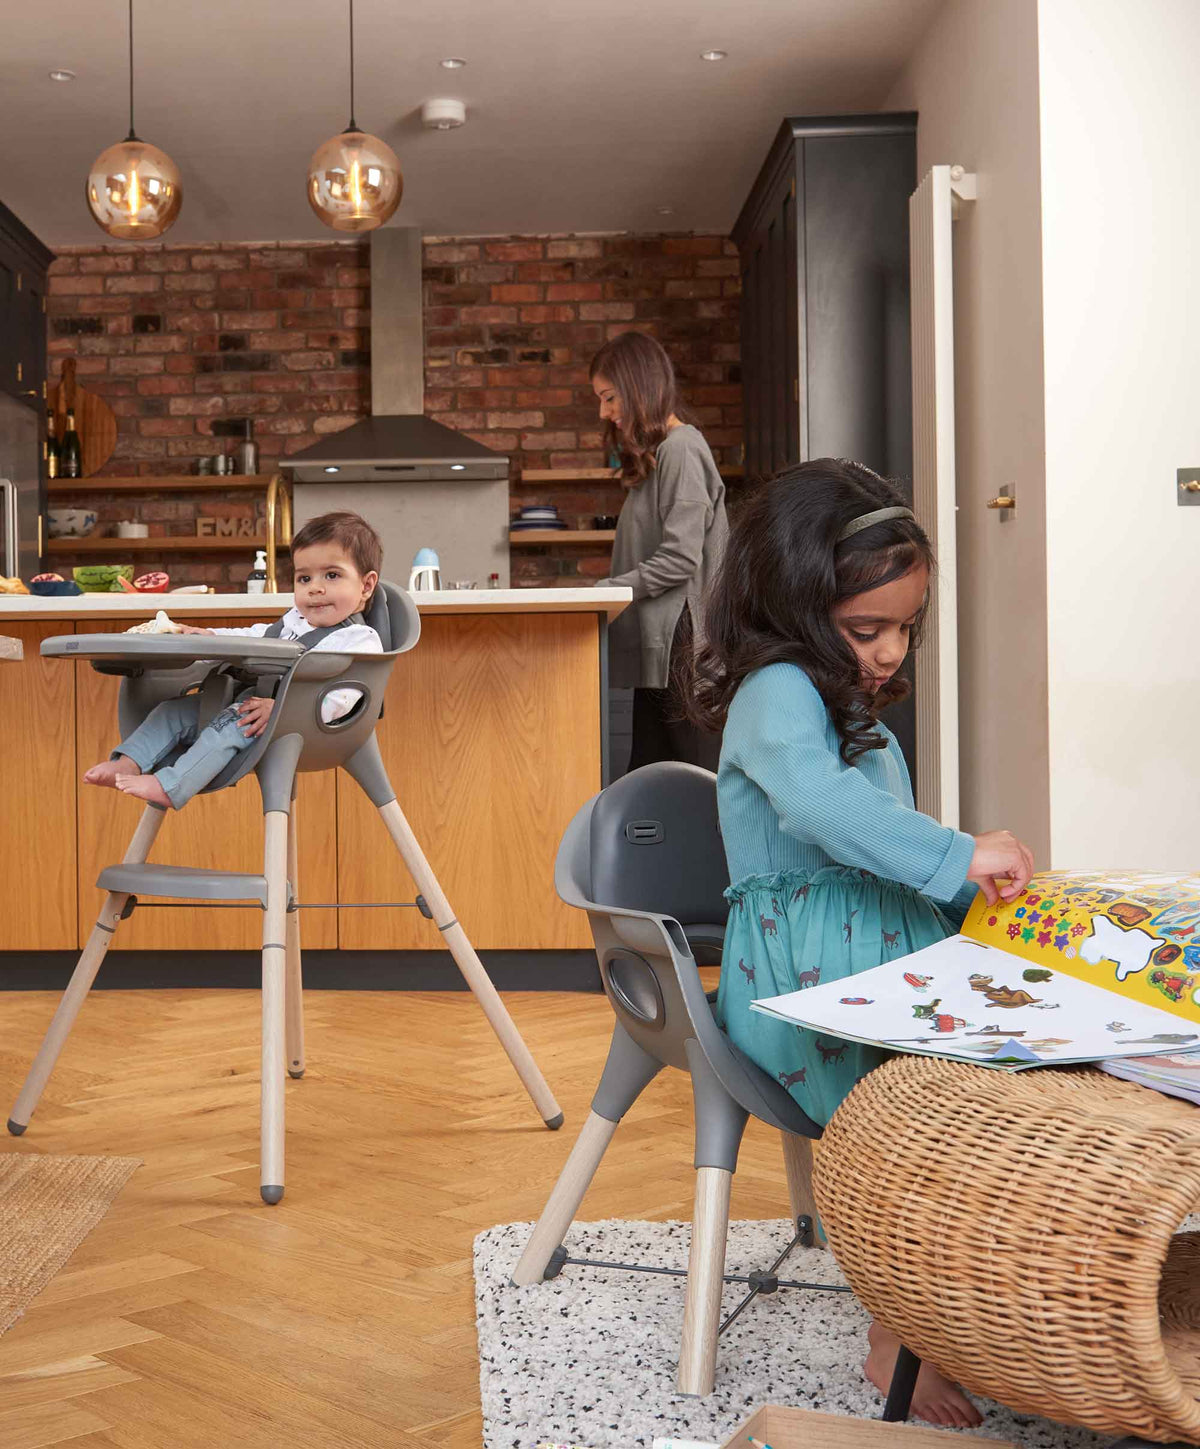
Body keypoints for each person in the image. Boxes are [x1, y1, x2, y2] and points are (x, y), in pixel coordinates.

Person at [684, 458, 1035, 1428]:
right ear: (794, 609)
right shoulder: (775, 692)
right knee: (910, 1127)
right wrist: (960, 853)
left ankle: (965, 1301)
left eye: (904, 628)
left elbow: (877, 842)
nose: (888, 653)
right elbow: (825, 810)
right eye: (865, 630)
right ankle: (895, 1329)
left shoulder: (843, 706)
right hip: (798, 981)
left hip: (865, 956)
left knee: (999, 1081)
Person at [83, 511, 383, 811]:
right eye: (304, 578)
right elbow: (254, 636)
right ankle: (129, 762)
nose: (315, 588)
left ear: (366, 586)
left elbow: (345, 697)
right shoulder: (295, 622)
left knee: (226, 728)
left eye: (332, 575)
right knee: (171, 711)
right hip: (248, 705)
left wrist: (284, 710)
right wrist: (209, 635)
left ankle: (171, 786)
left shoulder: (359, 639)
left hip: (300, 724)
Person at [590, 331, 727, 771]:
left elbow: (680, 559)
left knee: (695, 780)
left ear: (637, 387)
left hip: (682, 644)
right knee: (651, 779)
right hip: (664, 646)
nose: (604, 412)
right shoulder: (660, 456)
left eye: (610, 397)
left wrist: (609, 589)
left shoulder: (683, 449)